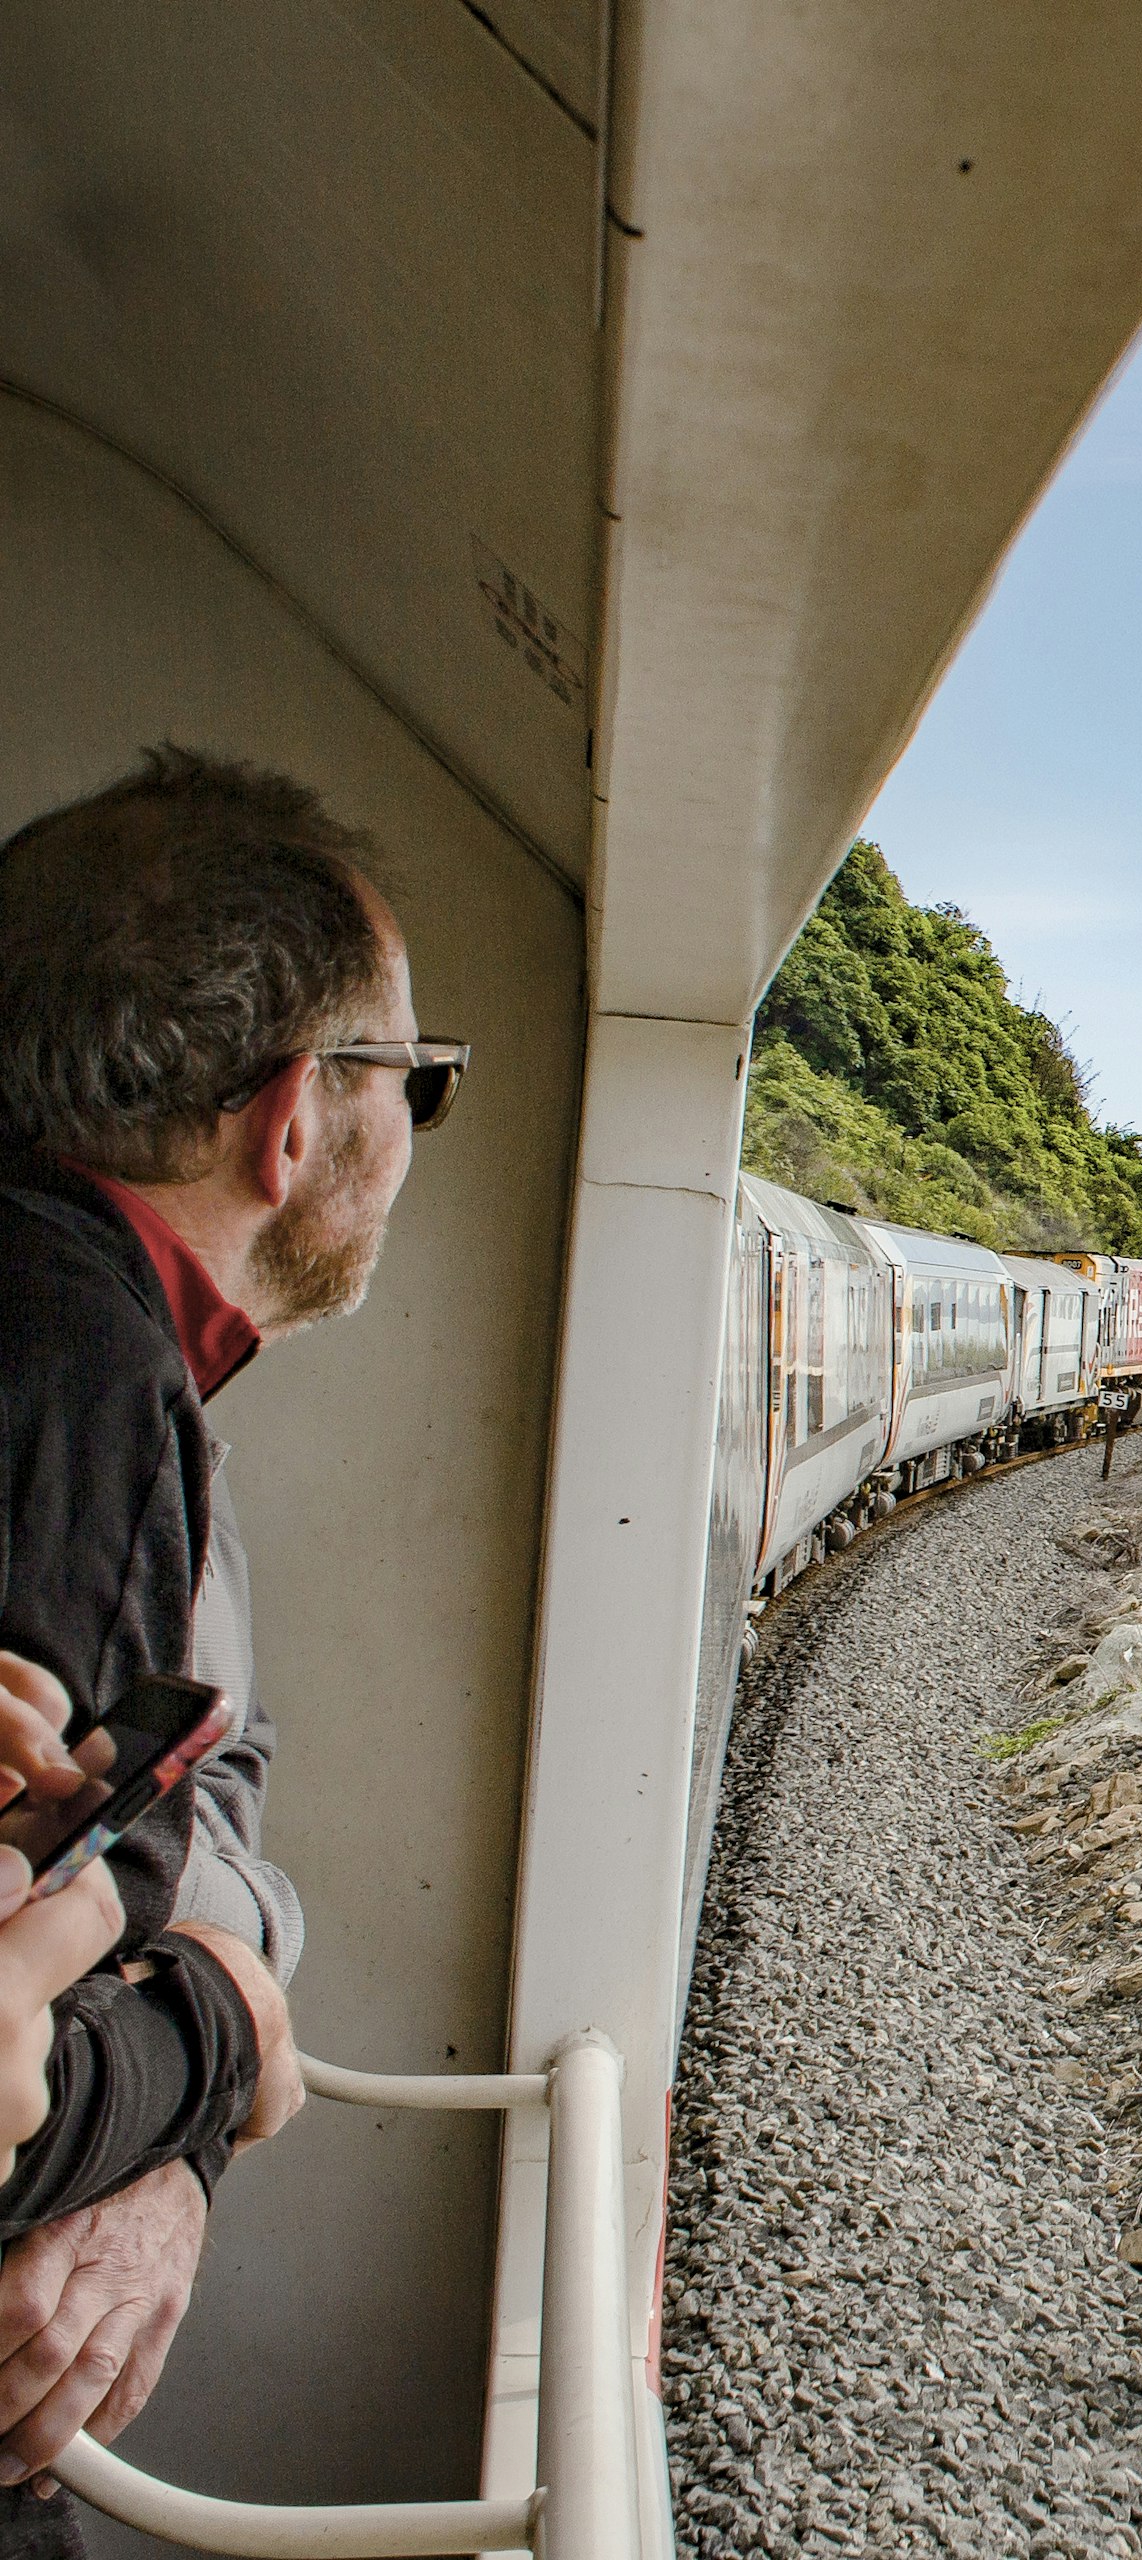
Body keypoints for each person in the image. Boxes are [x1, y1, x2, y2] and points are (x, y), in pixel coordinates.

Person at [0, 748, 461, 2541]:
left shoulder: (120, 1352)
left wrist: (202, 1991)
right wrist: (226, 2027)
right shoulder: (89, 1382)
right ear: (289, 1120)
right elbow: (32, 2059)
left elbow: (199, 1806)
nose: (416, 1131)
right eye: (418, 1082)